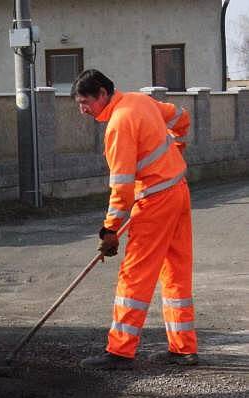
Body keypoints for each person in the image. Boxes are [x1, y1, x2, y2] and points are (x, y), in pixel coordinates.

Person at [71, 69, 198, 370]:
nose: (83, 110)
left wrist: (110, 230)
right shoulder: (141, 101)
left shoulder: (119, 124)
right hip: (178, 191)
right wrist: (176, 150)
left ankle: (119, 351)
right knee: (176, 271)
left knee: (135, 274)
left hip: (155, 200)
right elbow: (182, 118)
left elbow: (122, 187)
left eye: (85, 102)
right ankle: (184, 349)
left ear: (102, 93)